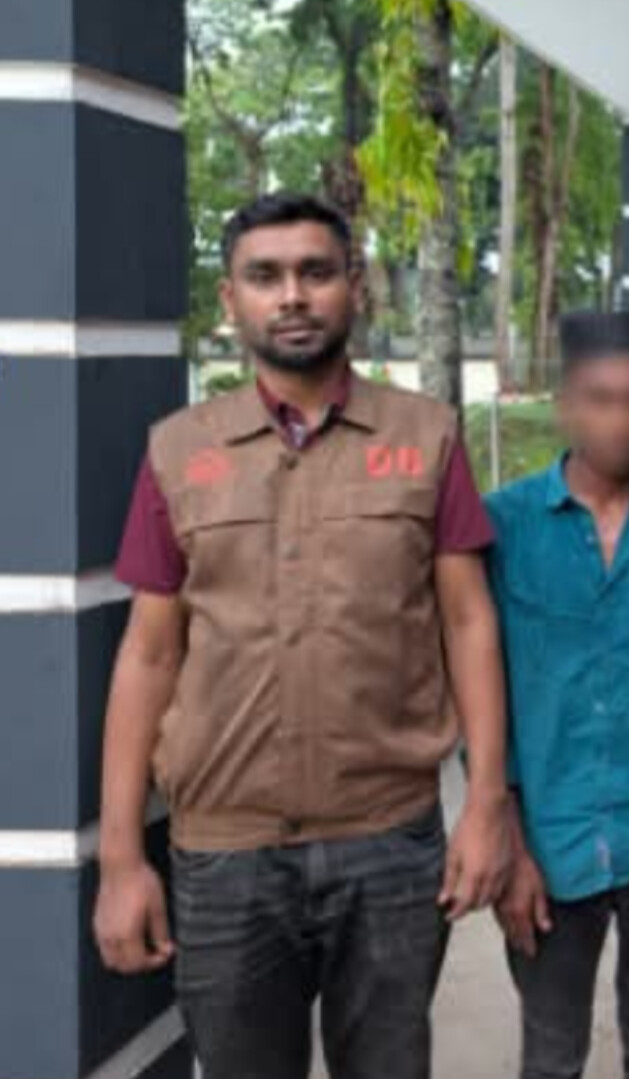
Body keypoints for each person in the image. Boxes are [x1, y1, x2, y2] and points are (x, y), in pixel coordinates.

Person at [92, 192, 514, 1079]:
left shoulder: (426, 437)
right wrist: (123, 858)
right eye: (265, 276)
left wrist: (485, 804)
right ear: (230, 299)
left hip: (390, 843)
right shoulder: (179, 451)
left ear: (355, 286)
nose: (292, 295)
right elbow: (149, 654)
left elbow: (469, 621)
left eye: (315, 272)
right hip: (225, 853)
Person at [486, 310, 629, 1079]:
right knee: (552, 1057)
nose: (621, 419)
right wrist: (509, 847)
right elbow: (486, 701)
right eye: (601, 398)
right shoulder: (505, 526)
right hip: (547, 844)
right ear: (565, 405)